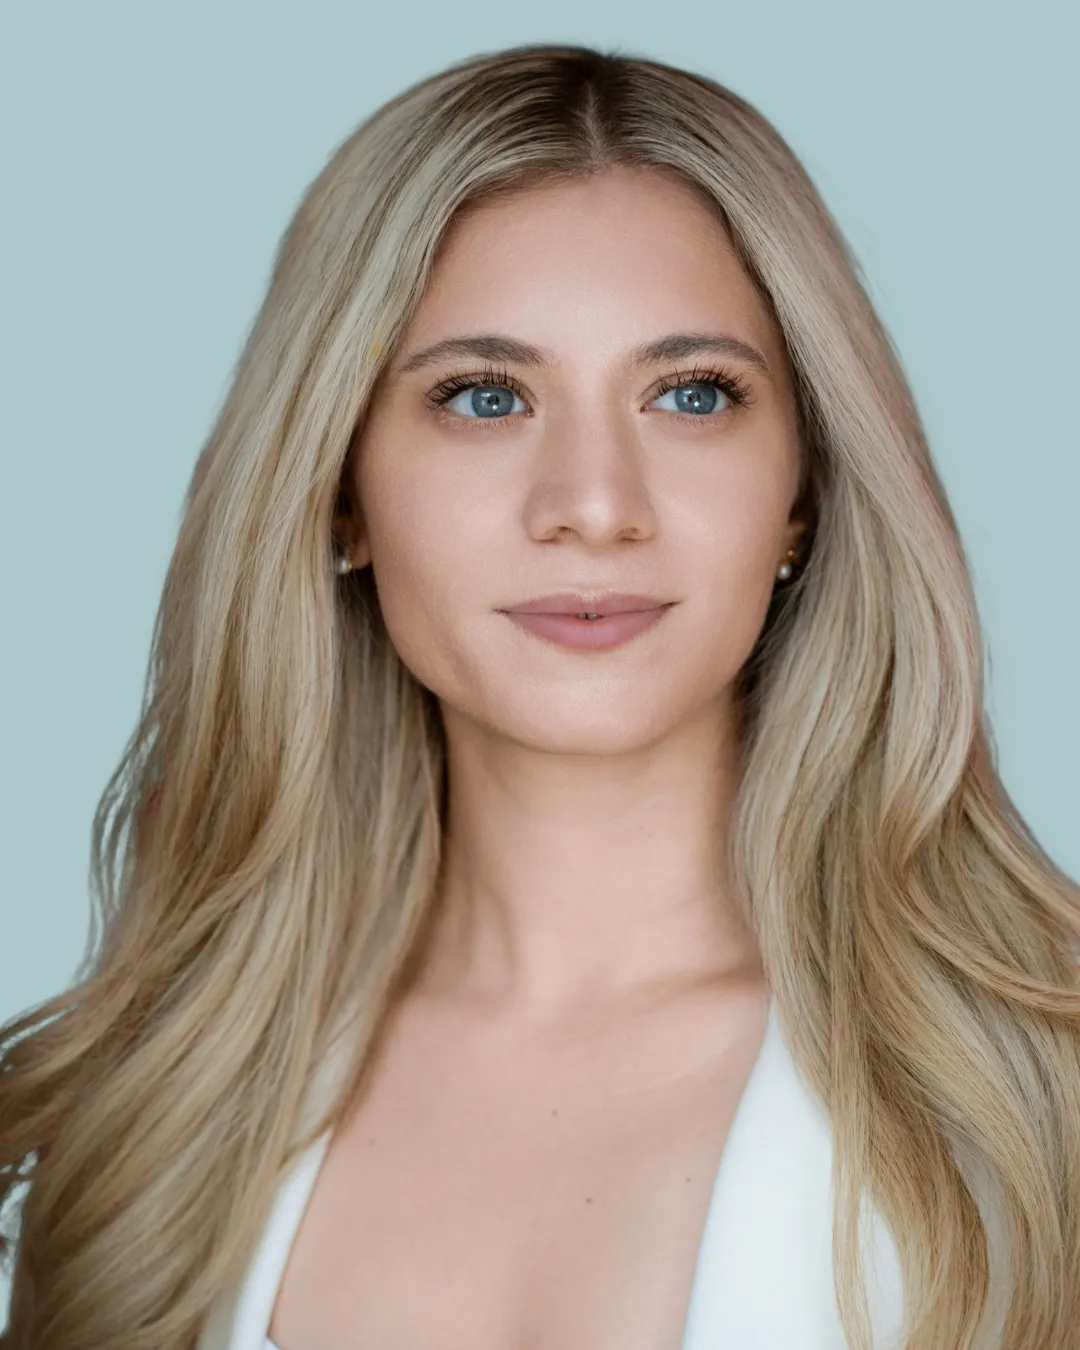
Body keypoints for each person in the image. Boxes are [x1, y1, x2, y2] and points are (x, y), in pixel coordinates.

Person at [2, 41, 1079, 1350]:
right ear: (341, 490)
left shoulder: (1044, 1103)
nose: (594, 505)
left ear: (802, 492)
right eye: (484, 397)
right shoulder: (159, 1101)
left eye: (693, 395)